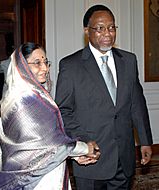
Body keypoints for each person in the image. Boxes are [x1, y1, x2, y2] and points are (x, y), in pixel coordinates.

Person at [55, 4, 153, 190]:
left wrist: (145, 140)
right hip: (91, 158)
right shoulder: (71, 65)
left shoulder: (129, 61)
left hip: (123, 157)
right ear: (87, 31)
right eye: (100, 28)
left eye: (111, 27)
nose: (107, 33)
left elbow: (137, 104)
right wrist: (82, 142)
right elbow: (63, 111)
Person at [0, 42, 100, 190]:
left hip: (47, 169)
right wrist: (85, 149)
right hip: (35, 179)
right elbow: (47, 146)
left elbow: (45, 145)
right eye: (37, 63)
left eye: (46, 62)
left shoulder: (34, 94)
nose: (45, 68)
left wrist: (73, 155)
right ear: (22, 66)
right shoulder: (23, 101)